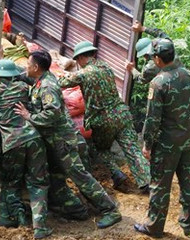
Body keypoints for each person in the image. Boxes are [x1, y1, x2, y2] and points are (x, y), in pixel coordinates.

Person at [14, 50, 122, 229]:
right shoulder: (41, 79)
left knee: (80, 176)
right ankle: (74, 210)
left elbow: (52, 114)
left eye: (28, 65)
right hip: (55, 141)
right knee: (56, 178)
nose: (26, 68)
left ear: (35, 67)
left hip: (62, 141)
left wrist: (29, 116)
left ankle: (110, 210)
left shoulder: (47, 86)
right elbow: (27, 78)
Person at [128, 22, 190, 177]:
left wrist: (131, 69)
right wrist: (143, 29)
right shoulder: (170, 51)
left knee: (184, 136)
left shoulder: (152, 67)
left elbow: (141, 79)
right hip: (187, 89)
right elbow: (162, 33)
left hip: (172, 98)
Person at [134, 39, 190, 238]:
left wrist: (147, 145)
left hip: (166, 144)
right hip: (188, 140)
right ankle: (189, 224)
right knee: (188, 182)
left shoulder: (158, 83)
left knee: (159, 184)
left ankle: (154, 226)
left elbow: (152, 119)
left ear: (157, 59)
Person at [61, 41, 150, 192]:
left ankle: (116, 173)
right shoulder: (105, 66)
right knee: (132, 149)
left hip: (103, 119)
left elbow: (61, 83)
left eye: (77, 60)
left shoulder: (83, 73)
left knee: (100, 149)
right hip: (122, 114)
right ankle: (147, 181)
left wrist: (63, 72)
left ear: (81, 57)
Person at [0, 59, 52, 240]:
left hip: (12, 143)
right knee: (38, 183)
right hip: (34, 138)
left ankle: (15, 216)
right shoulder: (22, 88)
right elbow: (28, 79)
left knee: (10, 183)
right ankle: (40, 226)